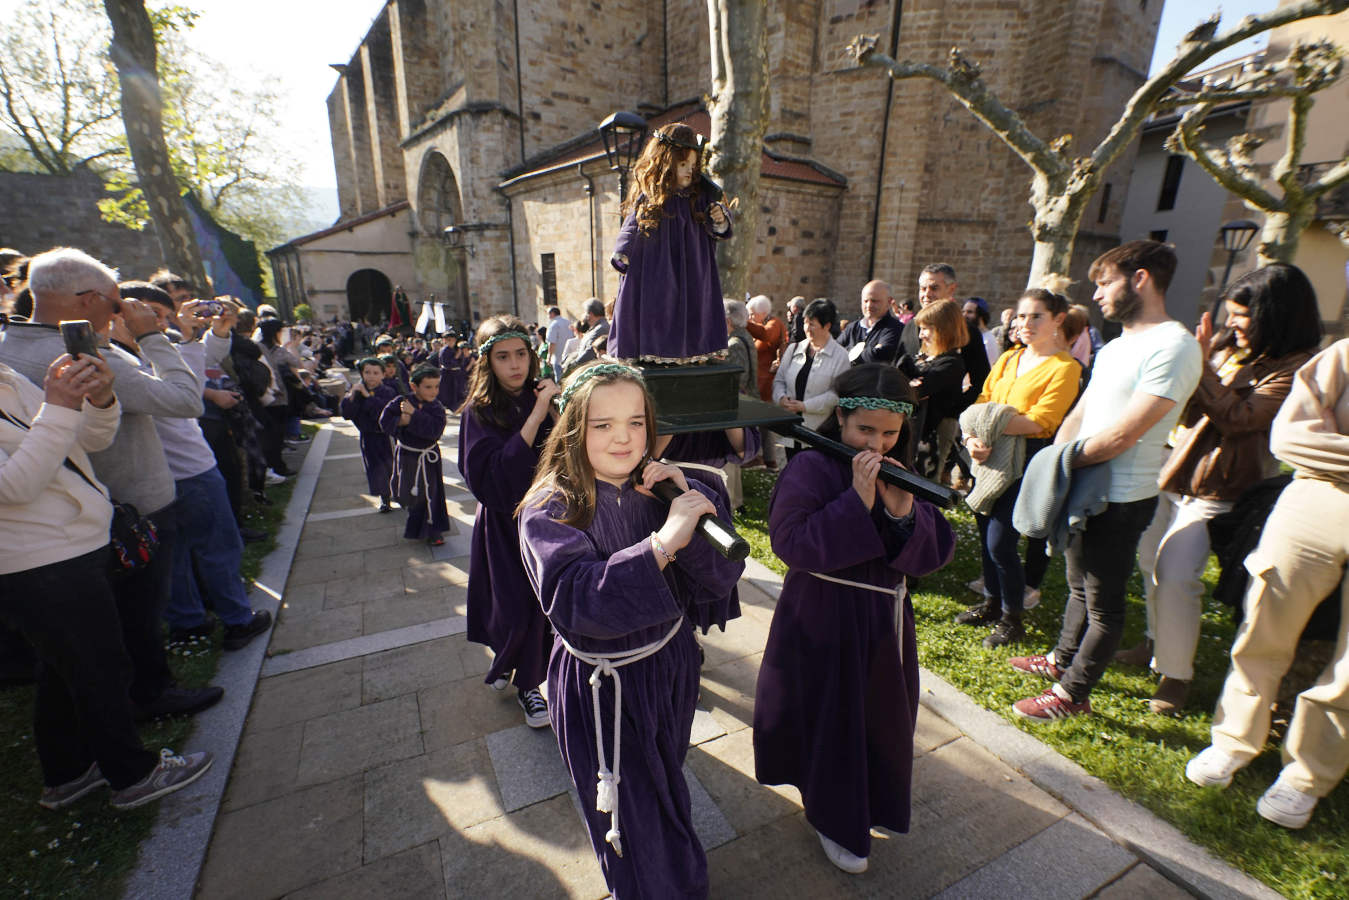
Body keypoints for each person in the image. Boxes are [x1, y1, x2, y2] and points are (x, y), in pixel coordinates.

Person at [517, 362, 743, 897]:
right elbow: (576, 603)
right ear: (573, 427)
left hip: (669, 667)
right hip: (602, 688)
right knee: (628, 817)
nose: (624, 437)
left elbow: (720, 580)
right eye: (602, 424)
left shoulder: (668, 489)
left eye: (636, 422)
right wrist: (662, 544)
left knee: (664, 786)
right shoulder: (549, 508)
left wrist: (686, 505)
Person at [0, 248, 221, 720]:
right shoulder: (81, 354)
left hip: (60, 520)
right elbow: (185, 400)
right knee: (137, 617)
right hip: (131, 505)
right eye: (116, 301)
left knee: (87, 643)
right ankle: (149, 696)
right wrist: (153, 335)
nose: (121, 310)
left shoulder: (8, 348)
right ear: (87, 300)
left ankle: (101, 726)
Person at [754, 364, 955, 874]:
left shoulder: (900, 468)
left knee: (880, 717)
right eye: (865, 429)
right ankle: (835, 817)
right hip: (823, 616)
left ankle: (875, 800)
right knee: (832, 718)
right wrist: (855, 502)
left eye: (890, 433)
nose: (878, 444)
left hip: (882, 622)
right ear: (841, 416)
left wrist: (902, 513)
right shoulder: (811, 468)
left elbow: (936, 549)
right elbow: (791, 542)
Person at [0, 354, 214, 810]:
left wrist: (98, 401)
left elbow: (85, 441)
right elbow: (14, 487)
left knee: (63, 671)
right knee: (101, 669)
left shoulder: (8, 378)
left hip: (72, 546)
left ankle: (69, 773)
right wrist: (58, 406)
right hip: (36, 561)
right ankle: (133, 775)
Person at [1008, 240, 1202, 721]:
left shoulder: (1175, 346)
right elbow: (1084, 412)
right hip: (1086, 487)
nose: (1096, 295)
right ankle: (1060, 660)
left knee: (1104, 605)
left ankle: (1073, 694)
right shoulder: (1116, 345)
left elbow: (1123, 435)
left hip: (1121, 498)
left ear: (1140, 279)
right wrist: (1056, 461)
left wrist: (1061, 464)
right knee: (1077, 588)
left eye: (1104, 283)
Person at [1127, 264, 1322, 715]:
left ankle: (1175, 677)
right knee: (1149, 562)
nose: (1232, 324)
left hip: (1222, 489)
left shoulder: (1296, 368)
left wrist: (1200, 369)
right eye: (1231, 314)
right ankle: (1156, 645)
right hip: (1173, 472)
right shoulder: (1224, 346)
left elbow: (1240, 418)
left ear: (1276, 315)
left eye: (1242, 316)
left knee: (1176, 574)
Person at [1185, 338, 1349, 829]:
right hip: (1317, 496)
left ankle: (1307, 776)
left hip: (1322, 480)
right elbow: (1291, 435)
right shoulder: (1342, 355)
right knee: (1263, 629)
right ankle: (1233, 740)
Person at [956, 289, 1080, 647]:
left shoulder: (1064, 368)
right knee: (985, 533)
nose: (1025, 323)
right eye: (1022, 316)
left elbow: (1043, 420)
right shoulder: (1010, 358)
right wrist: (970, 439)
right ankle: (992, 604)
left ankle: (1013, 618)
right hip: (986, 456)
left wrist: (986, 424)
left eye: (1036, 316)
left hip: (1028, 460)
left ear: (1058, 319)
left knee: (1001, 541)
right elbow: (981, 402)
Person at [457, 316, 558, 726]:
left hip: (549, 519)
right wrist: (536, 415)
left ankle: (518, 668)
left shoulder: (544, 395)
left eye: (521, 354)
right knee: (517, 606)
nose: (515, 365)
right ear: (487, 362)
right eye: (503, 357)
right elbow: (492, 478)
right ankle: (529, 688)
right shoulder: (478, 413)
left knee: (545, 605)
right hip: (505, 525)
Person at [609, 123, 731, 364]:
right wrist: (622, 251)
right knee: (660, 312)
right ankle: (657, 354)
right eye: (683, 164)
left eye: (693, 166)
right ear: (666, 162)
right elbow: (633, 224)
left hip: (694, 273)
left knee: (692, 313)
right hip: (657, 272)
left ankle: (691, 355)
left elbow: (720, 226)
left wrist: (720, 217)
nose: (689, 171)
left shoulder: (700, 198)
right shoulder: (651, 198)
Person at [379, 363, 450, 545]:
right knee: (411, 493)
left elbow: (435, 431)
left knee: (431, 493)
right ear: (414, 386)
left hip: (428, 457)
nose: (433, 391)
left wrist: (414, 415)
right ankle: (417, 527)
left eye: (436, 386)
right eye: (428, 387)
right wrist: (401, 421)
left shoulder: (437, 407)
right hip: (407, 456)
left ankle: (434, 530)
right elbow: (384, 421)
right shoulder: (401, 402)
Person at [897, 299, 968, 476]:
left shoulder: (951, 363)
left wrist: (909, 381)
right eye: (921, 329)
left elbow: (918, 390)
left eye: (926, 329)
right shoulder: (926, 357)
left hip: (932, 439)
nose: (921, 335)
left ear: (945, 329)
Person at [773, 298, 850, 456]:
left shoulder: (840, 356)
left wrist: (804, 406)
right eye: (806, 322)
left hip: (819, 431)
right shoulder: (794, 348)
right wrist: (780, 398)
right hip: (791, 427)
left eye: (812, 324)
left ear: (827, 326)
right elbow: (779, 380)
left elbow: (836, 394)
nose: (807, 328)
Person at [341, 357, 397, 512]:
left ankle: (397, 492)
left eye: (375, 373)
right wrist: (352, 396)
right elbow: (347, 414)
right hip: (368, 436)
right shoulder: (357, 391)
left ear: (383, 375)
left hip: (386, 436)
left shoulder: (388, 391)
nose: (371, 376)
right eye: (367, 372)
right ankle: (384, 498)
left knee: (391, 466)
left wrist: (368, 396)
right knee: (375, 468)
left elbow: (384, 412)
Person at [747, 294, 787, 469]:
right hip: (759, 382)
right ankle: (767, 459)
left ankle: (767, 459)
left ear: (761, 313)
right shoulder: (763, 323)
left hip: (767, 383)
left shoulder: (774, 323)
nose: (750, 318)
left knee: (764, 424)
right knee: (762, 424)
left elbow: (766, 335)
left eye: (751, 314)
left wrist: (743, 322)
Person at [838, 280, 905, 366]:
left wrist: (848, 353)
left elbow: (878, 356)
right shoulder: (852, 328)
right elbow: (834, 352)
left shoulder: (895, 329)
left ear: (889, 302)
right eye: (865, 301)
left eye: (874, 301)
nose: (869, 305)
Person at [899, 262, 958, 358]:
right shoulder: (910, 326)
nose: (927, 294)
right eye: (923, 288)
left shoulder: (963, 329)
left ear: (951, 289)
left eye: (934, 288)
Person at [963, 297, 1000, 367]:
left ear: (981, 315)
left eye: (969, 312)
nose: (964, 315)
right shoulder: (966, 336)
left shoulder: (989, 340)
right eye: (963, 311)